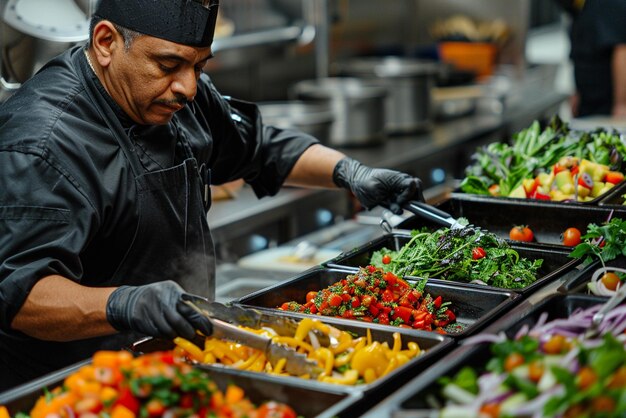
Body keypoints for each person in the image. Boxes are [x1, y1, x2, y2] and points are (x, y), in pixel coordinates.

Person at [0, 0, 423, 390]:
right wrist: (125, 303)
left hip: (172, 364)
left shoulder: (176, 95)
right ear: (106, 42)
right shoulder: (42, 143)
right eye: (168, 64)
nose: (187, 86)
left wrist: (348, 171)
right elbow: (18, 293)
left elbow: (258, 148)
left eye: (199, 66)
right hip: (74, 388)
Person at [555, 0, 626, 117]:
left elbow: (622, 51)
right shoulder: (579, 7)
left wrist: (622, 104)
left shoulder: (608, 4)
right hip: (588, 105)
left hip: (608, 107)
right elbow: (582, 53)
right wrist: (576, 92)